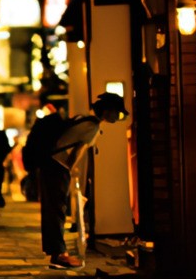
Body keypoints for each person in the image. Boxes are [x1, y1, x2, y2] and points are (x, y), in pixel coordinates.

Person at [36, 92, 128, 270]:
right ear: (108, 111)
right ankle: (59, 255)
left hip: (50, 163)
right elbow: (78, 150)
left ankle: (56, 253)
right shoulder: (92, 126)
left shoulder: (84, 119)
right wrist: (69, 170)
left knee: (52, 209)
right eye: (117, 112)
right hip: (57, 165)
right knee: (57, 210)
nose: (118, 116)